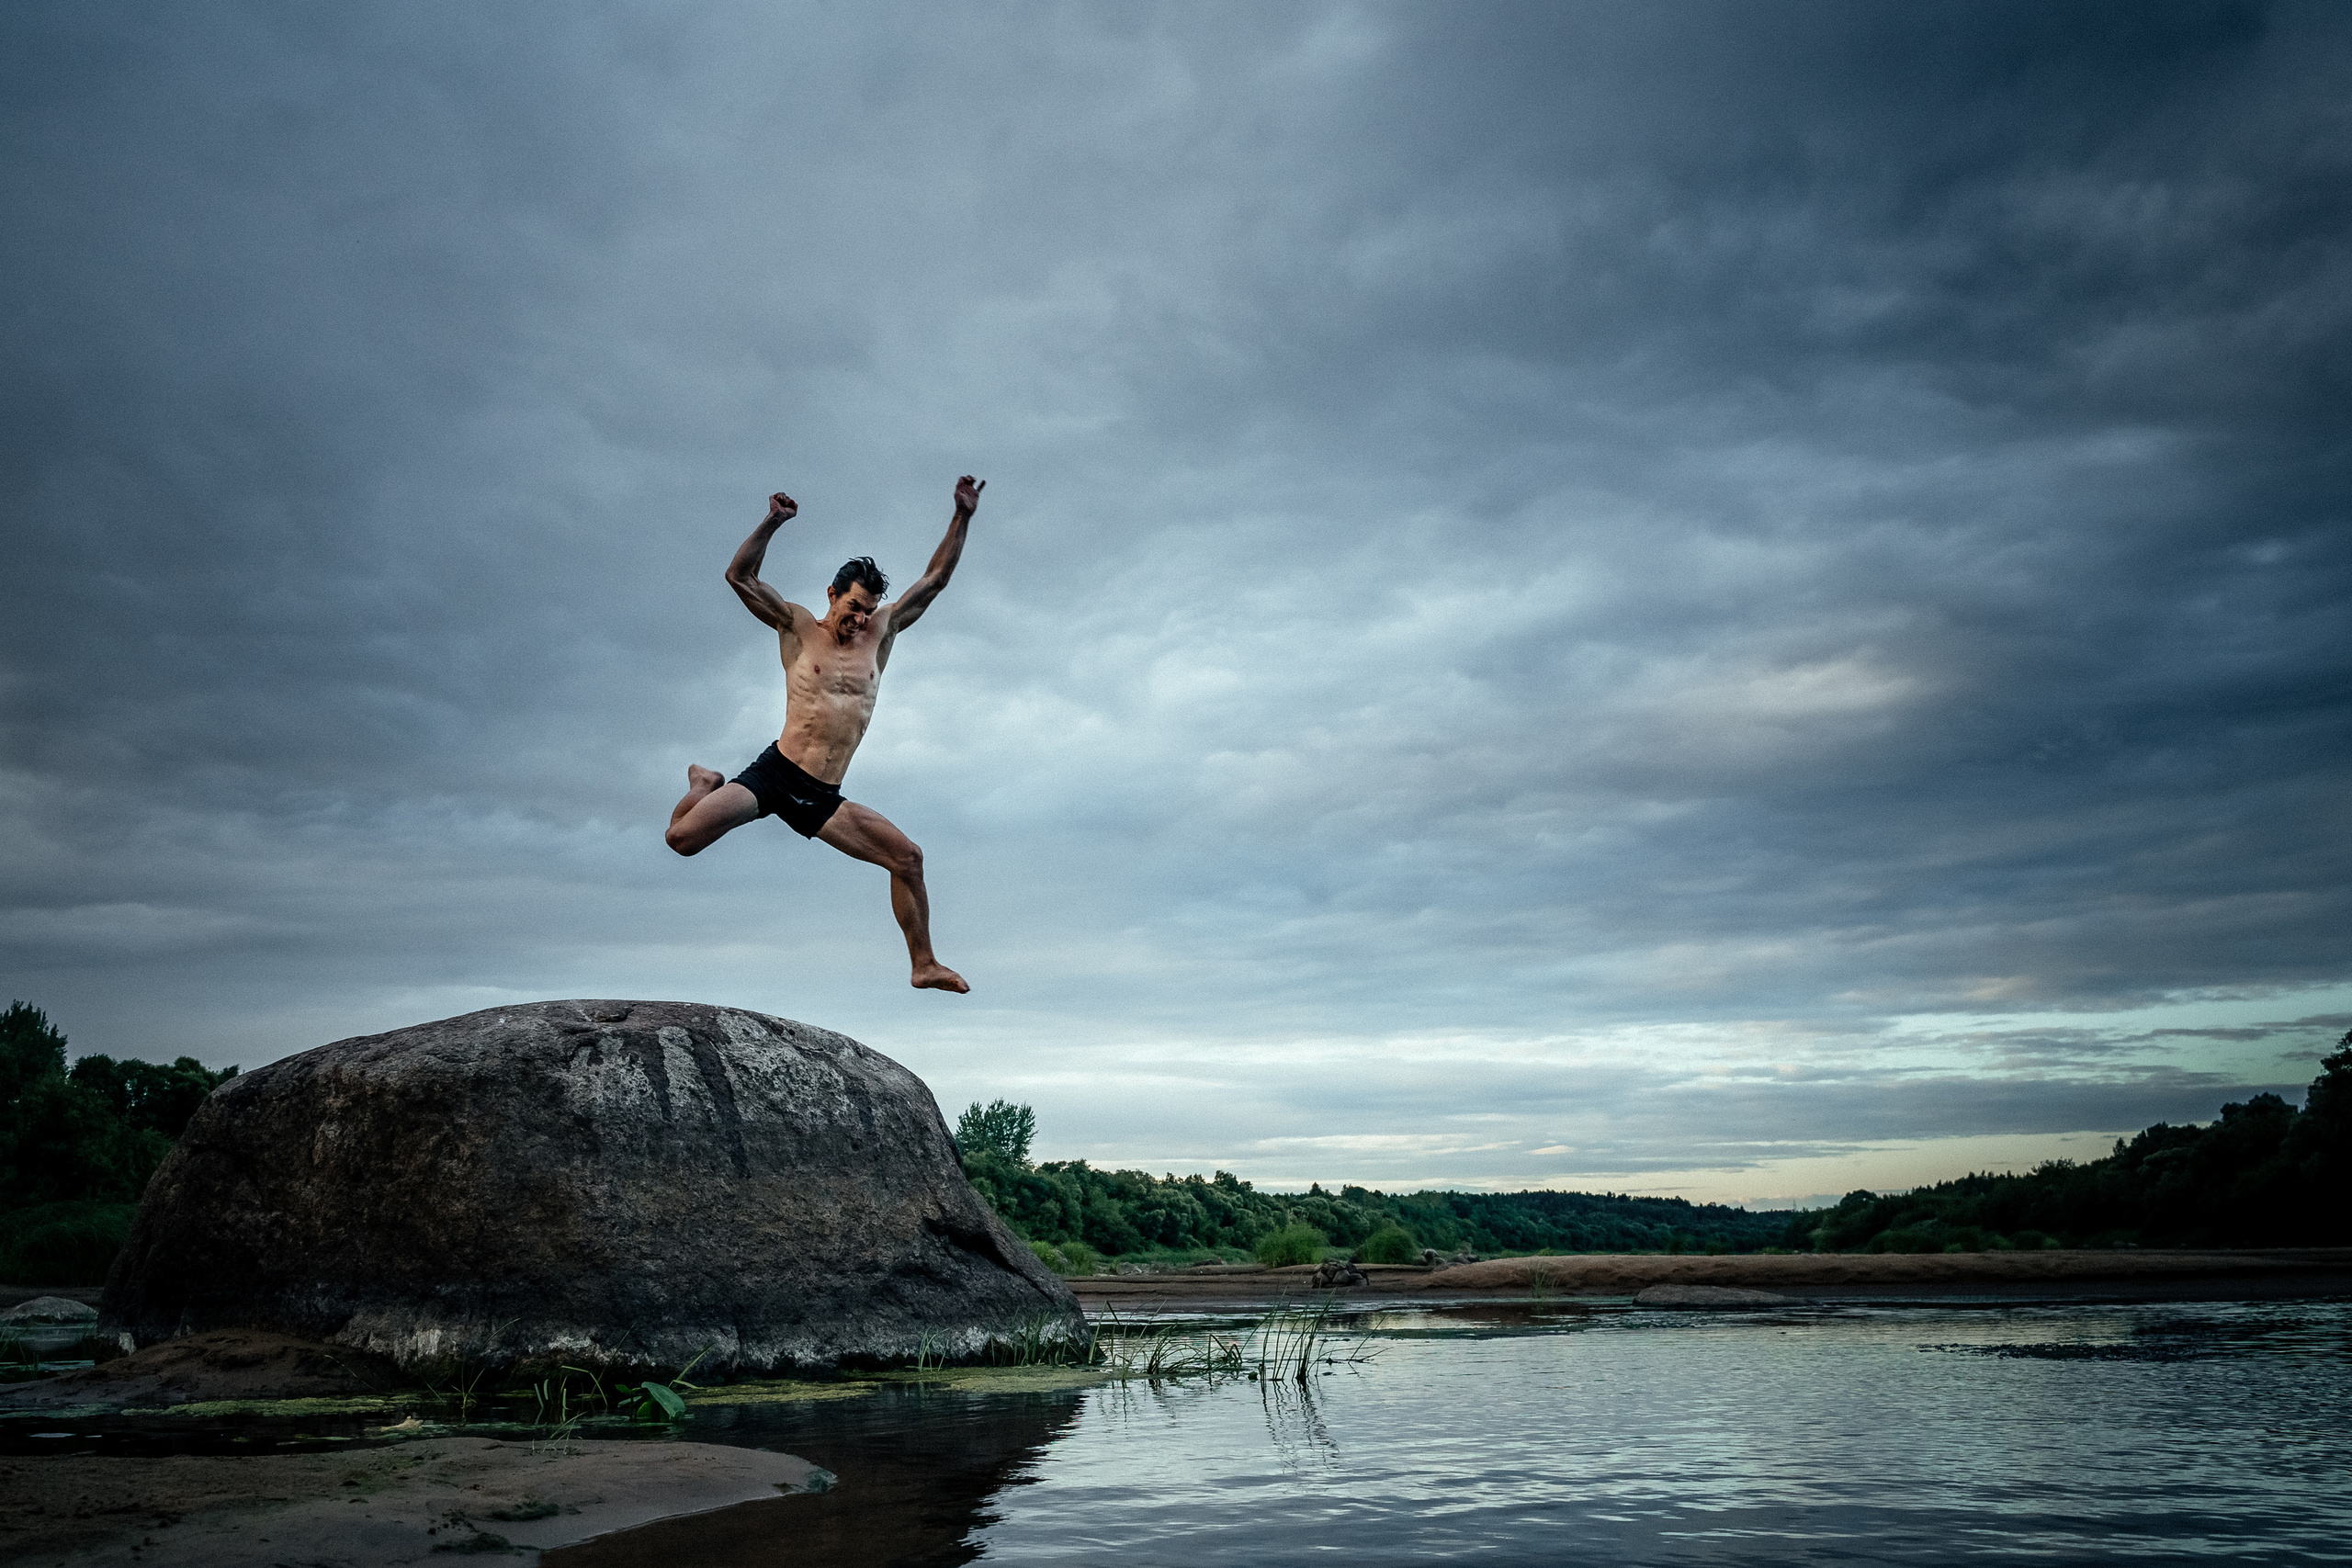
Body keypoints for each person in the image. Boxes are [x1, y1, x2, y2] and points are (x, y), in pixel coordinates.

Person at [665, 477, 984, 993]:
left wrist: (962, 516)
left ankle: (923, 965)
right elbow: (739, 576)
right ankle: (705, 784)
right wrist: (773, 521)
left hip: (821, 796)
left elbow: (934, 580)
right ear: (832, 594)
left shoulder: (883, 631)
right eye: (852, 606)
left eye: (866, 609)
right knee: (680, 840)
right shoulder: (795, 625)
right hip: (774, 775)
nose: (858, 619)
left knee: (907, 858)